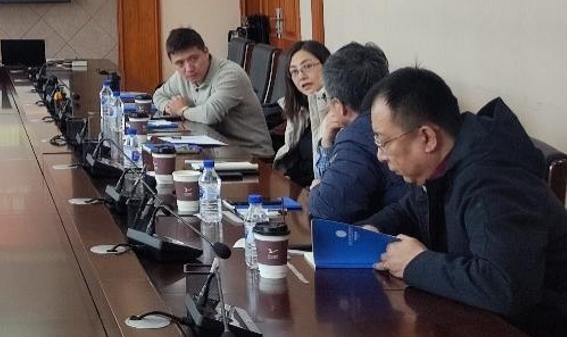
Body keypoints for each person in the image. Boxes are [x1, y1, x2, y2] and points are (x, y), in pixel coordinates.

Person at [365, 67, 567, 337]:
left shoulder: (492, 178)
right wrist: (370, 231)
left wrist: (416, 263)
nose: (380, 155)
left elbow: (505, 288)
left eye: (383, 142)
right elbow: (410, 210)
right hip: (494, 333)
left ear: (427, 138)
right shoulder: (444, 163)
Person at [307, 42, 410, 223]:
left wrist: (316, 189)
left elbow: (329, 209)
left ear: (339, 105)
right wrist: (327, 143)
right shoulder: (403, 113)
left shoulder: (358, 137)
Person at [152, 27, 272, 158]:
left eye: (193, 58)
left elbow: (209, 115)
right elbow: (158, 95)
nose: (189, 68)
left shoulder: (230, 75)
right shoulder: (181, 76)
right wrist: (169, 108)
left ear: (206, 51)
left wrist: (182, 110)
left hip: (252, 155)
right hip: (215, 150)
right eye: (180, 63)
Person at [274, 40, 331, 188]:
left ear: (327, 65)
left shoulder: (338, 108)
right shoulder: (300, 108)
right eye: (294, 71)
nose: (301, 76)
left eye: (307, 66)